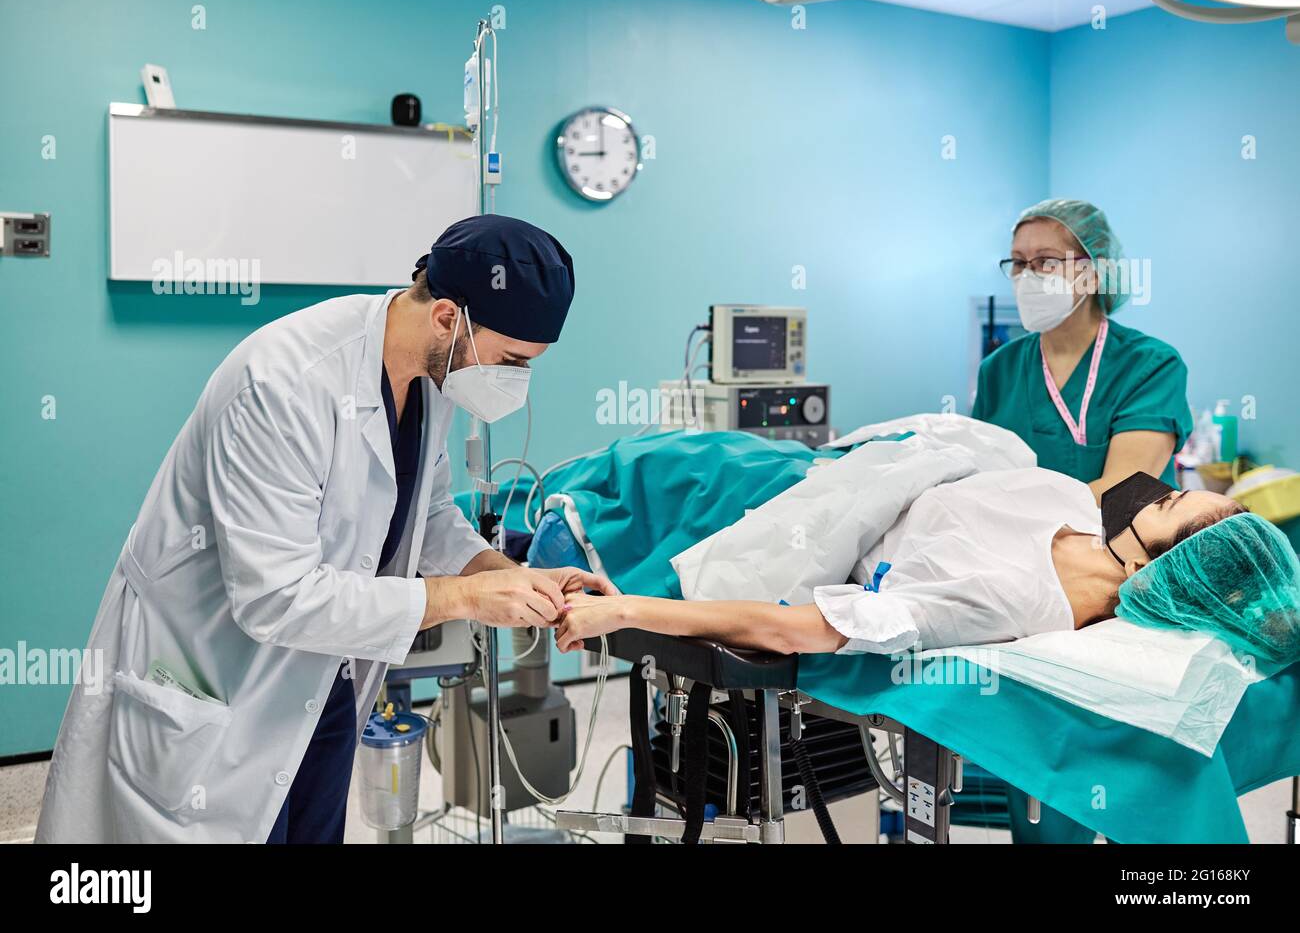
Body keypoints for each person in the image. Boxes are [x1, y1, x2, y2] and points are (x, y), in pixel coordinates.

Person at [36, 215, 617, 844]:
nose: (516, 381)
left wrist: (500, 574)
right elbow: (274, 596)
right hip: (212, 673)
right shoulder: (285, 383)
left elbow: (427, 511)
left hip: (321, 675)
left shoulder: (435, 375)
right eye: (511, 360)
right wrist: (463, 598)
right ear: (448, 318)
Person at [553, 469, 1300, 671]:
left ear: (1155, 562)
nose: (1149, 487)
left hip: (786, 515)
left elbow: (788, 630)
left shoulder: (1007, 600)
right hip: (848, 477)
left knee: (635, 484)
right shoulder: (1075, 504)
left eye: (1164, 500)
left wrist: (627, 611)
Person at [973, 200, 1193, 501]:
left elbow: (1122, 494)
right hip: (1015, 547)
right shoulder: (998, 370)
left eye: (1046, 262)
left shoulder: (1151, 366)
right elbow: (978, 480)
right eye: (1019, 263)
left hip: (1122, 547)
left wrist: (1012, 515)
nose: (1027, 276)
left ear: (1094, 274)